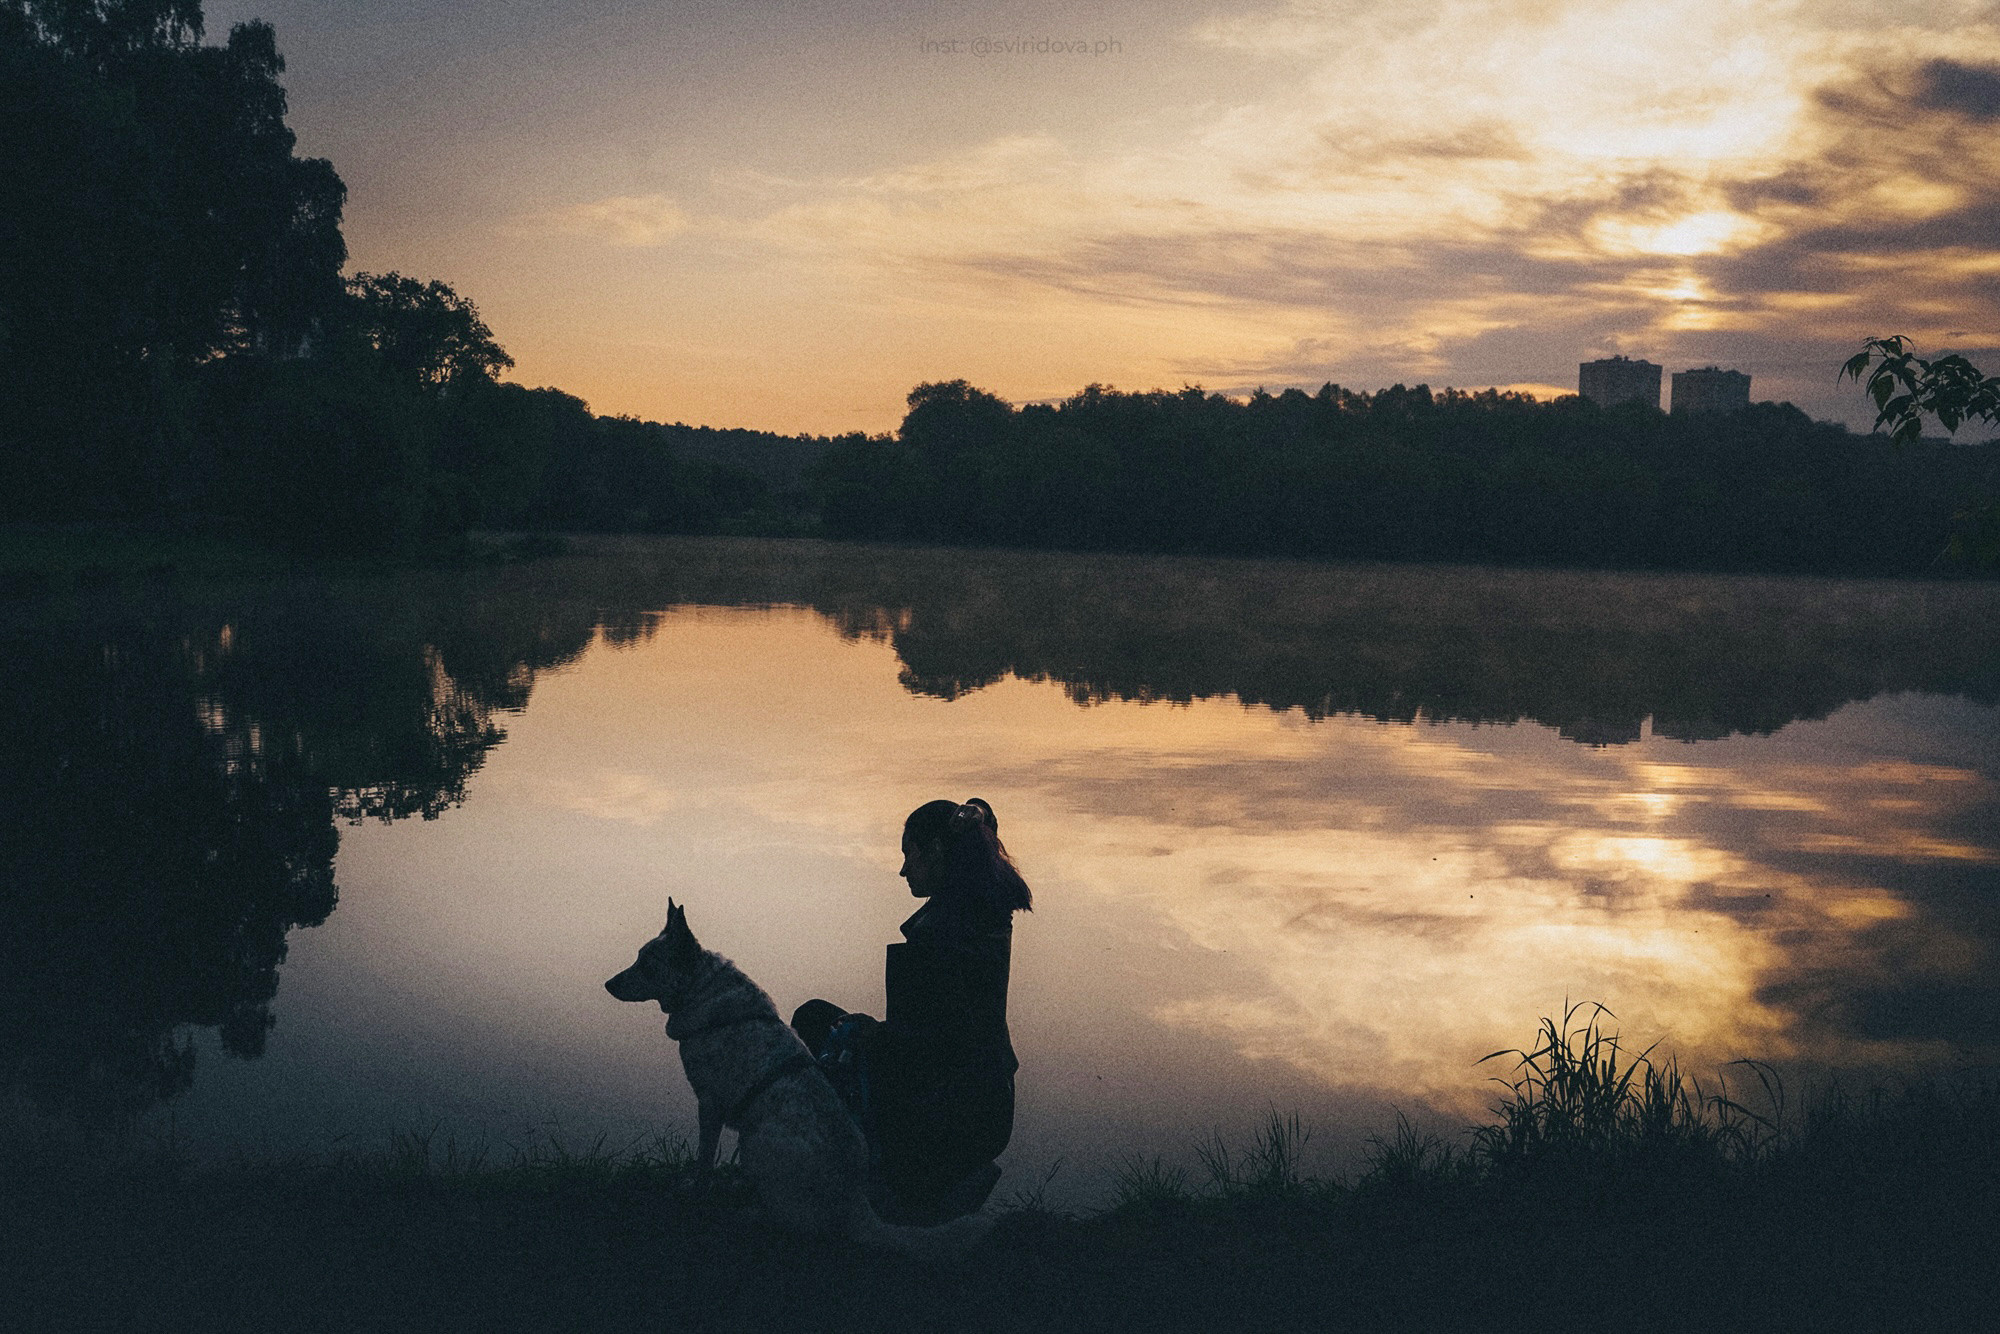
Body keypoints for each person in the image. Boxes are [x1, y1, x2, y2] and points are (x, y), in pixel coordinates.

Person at [792, 797, 1032, 1223]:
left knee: (813, 1021)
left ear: (937, 852)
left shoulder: (939, 936)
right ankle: (934, 1177)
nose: (904, 870)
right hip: (993, 1104)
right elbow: (983, 817)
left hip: (951, 1115)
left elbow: (925, 1051)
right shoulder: (988, 912)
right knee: (829, 1024)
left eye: (910, 854)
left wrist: (869, 1033)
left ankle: (900, 1180)